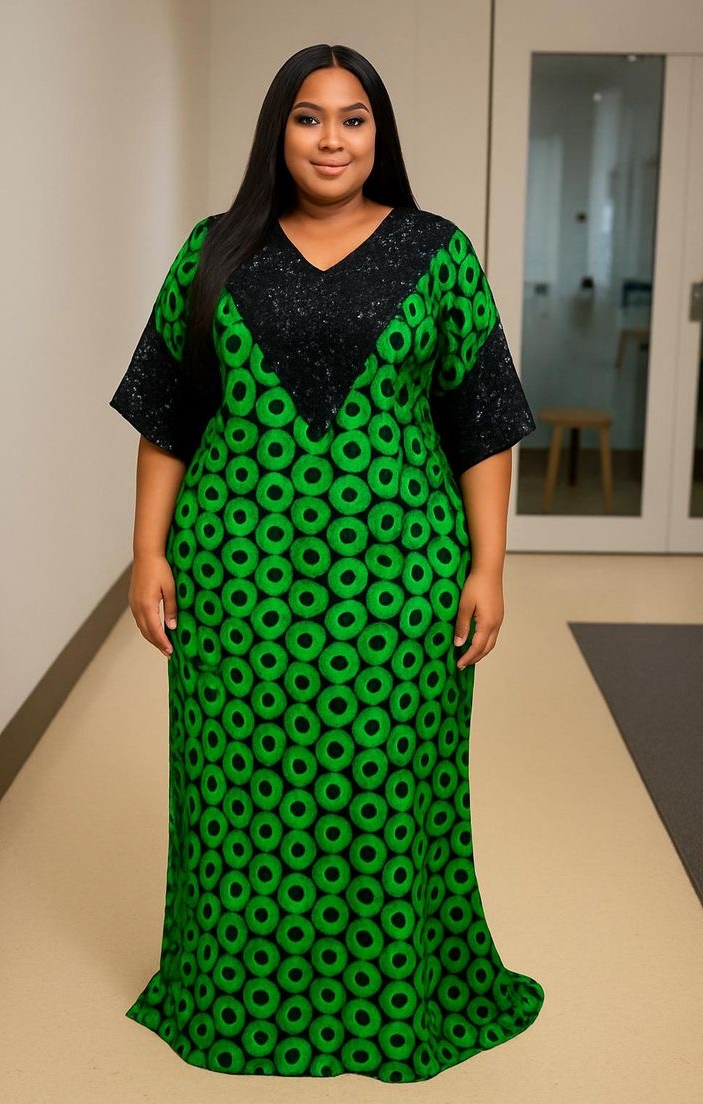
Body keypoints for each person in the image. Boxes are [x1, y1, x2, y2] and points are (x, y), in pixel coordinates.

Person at [109, 42, 544, 1084]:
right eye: (310, 117)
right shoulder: (215, 250)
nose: (332, 139)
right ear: (279, 130)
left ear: (378, 134)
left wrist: (488, 567)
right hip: (238, 577)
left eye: (354, 119)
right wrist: (145, 551)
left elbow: (483, 420)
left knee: (387, 786)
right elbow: (168, 414)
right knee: (239, 787)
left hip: (397, 579)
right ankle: (234, 1001)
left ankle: (391, 1006)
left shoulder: (436, 252)